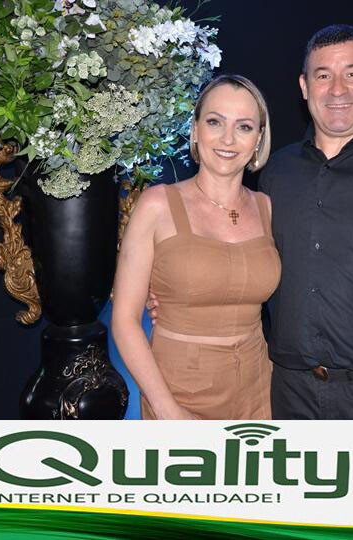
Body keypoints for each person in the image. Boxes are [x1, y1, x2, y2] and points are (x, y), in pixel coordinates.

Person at [149, 25, 353, 420]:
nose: (337, 89)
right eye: (323, 75)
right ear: (304, 87)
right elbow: (241, 262)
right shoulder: (275, 173)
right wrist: (178, 297)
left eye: (352, 73)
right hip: (288, 395)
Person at [112, 74, 280, 420]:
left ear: (258, 139)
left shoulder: (267, 207)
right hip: (178, 395)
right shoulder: (157, 205)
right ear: (195, 130)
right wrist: (168, 411)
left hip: (259, 391)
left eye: (244, 127)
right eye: (215, 122)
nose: (228, 139)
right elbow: (125, 321)